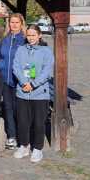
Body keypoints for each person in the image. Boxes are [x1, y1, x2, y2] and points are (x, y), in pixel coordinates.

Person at [13, 25, 54, 163]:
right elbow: (16, 67)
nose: (30, 38)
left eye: (33, 35)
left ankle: (37, 149)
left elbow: (47, 71)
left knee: (38, 123)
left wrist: (33, 84)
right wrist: (24, 82)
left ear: (39, 35)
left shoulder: (46, 51)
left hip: (40, 94)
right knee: (23, 122)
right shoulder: (20, 49)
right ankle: (24, 145)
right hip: (22, 92)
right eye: (28, 35)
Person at [0, 13, 26, 150]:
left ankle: (23, 136)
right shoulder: (5, 39)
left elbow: (31, 62)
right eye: (12, 22)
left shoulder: (25, 40)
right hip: (5, 80)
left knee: (19, 109)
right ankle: (12, 137)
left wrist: (28, 79)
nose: (14, 25)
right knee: (8, 108)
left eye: (16, 22)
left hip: (19, 81)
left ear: (21, 24)